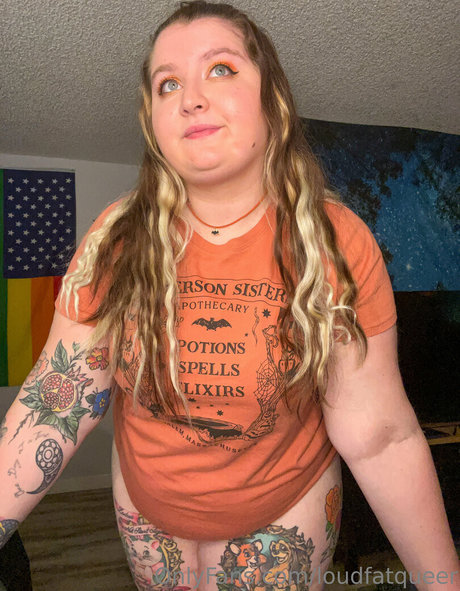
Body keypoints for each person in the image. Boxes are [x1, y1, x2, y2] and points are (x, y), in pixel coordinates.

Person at [0, 1, 458, 589]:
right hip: (147, 521)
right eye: (168, 84)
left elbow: (380, 437)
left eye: (220, 69)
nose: (190, 98)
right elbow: (58, 401)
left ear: (273, 100)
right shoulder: (117, 237)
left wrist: (442, 581)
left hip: (283, 517)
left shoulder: (335, 241)